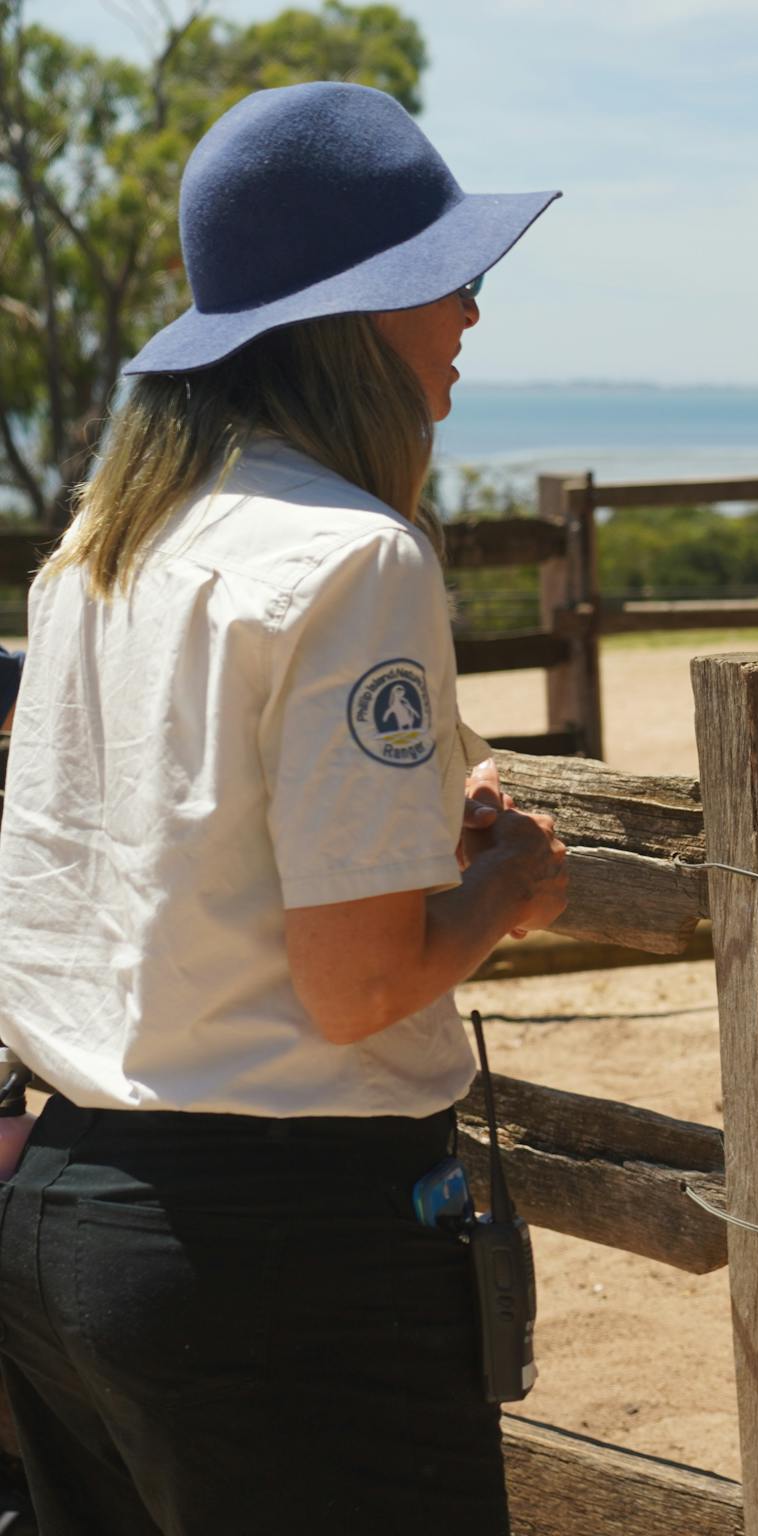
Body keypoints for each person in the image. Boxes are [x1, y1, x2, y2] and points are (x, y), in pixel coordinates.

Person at [0, 81, 565, 1534]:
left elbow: (178, 854)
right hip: (286, 1254)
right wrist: (507, 886)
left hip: (70, 1219)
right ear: (363, 314)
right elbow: (359, 982)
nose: (472, 318)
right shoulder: (354, 558)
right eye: (453, 281)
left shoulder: (96, 558)